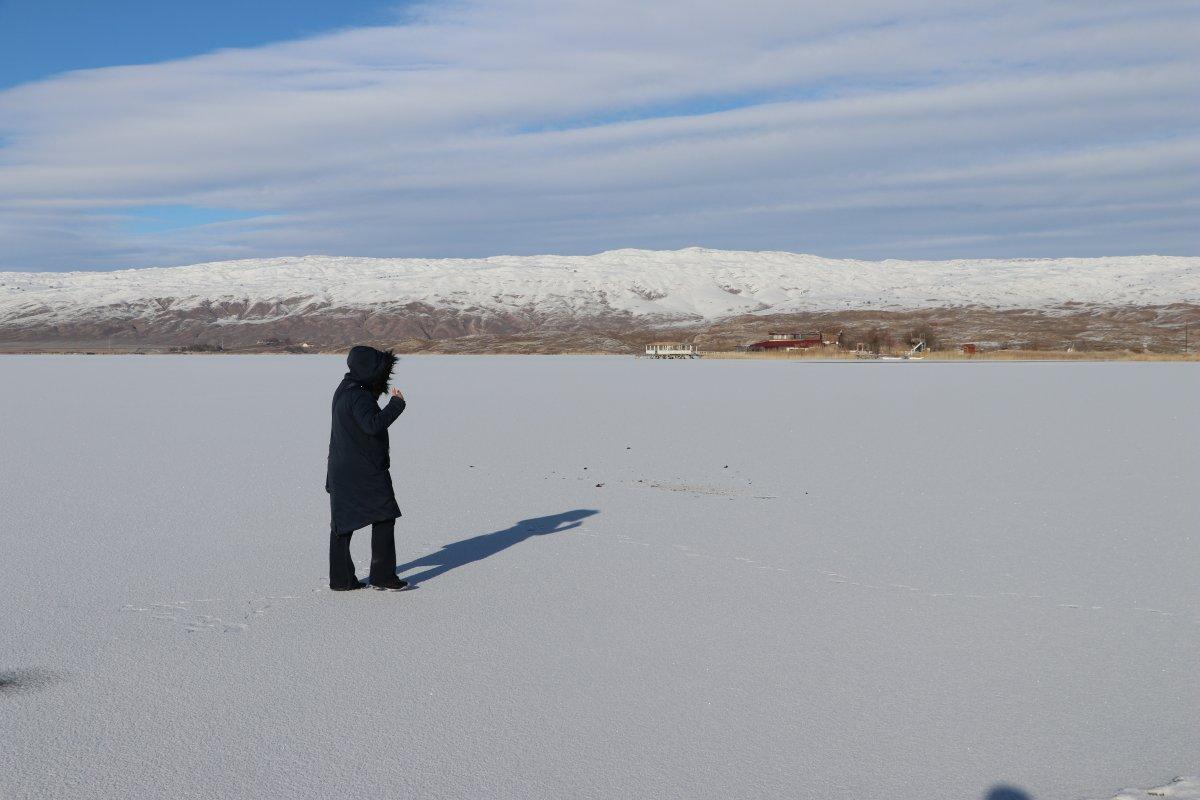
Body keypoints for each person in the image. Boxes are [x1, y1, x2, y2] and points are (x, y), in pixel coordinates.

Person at [326, 345, 409, 591]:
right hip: (363, 470)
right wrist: (396, 404)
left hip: (342, 468)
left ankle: (341, 580)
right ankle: (383, 577)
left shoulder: (345, 389)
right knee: (384, 515)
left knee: (342, 524)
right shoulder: (358, 396)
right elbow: (372, 425)